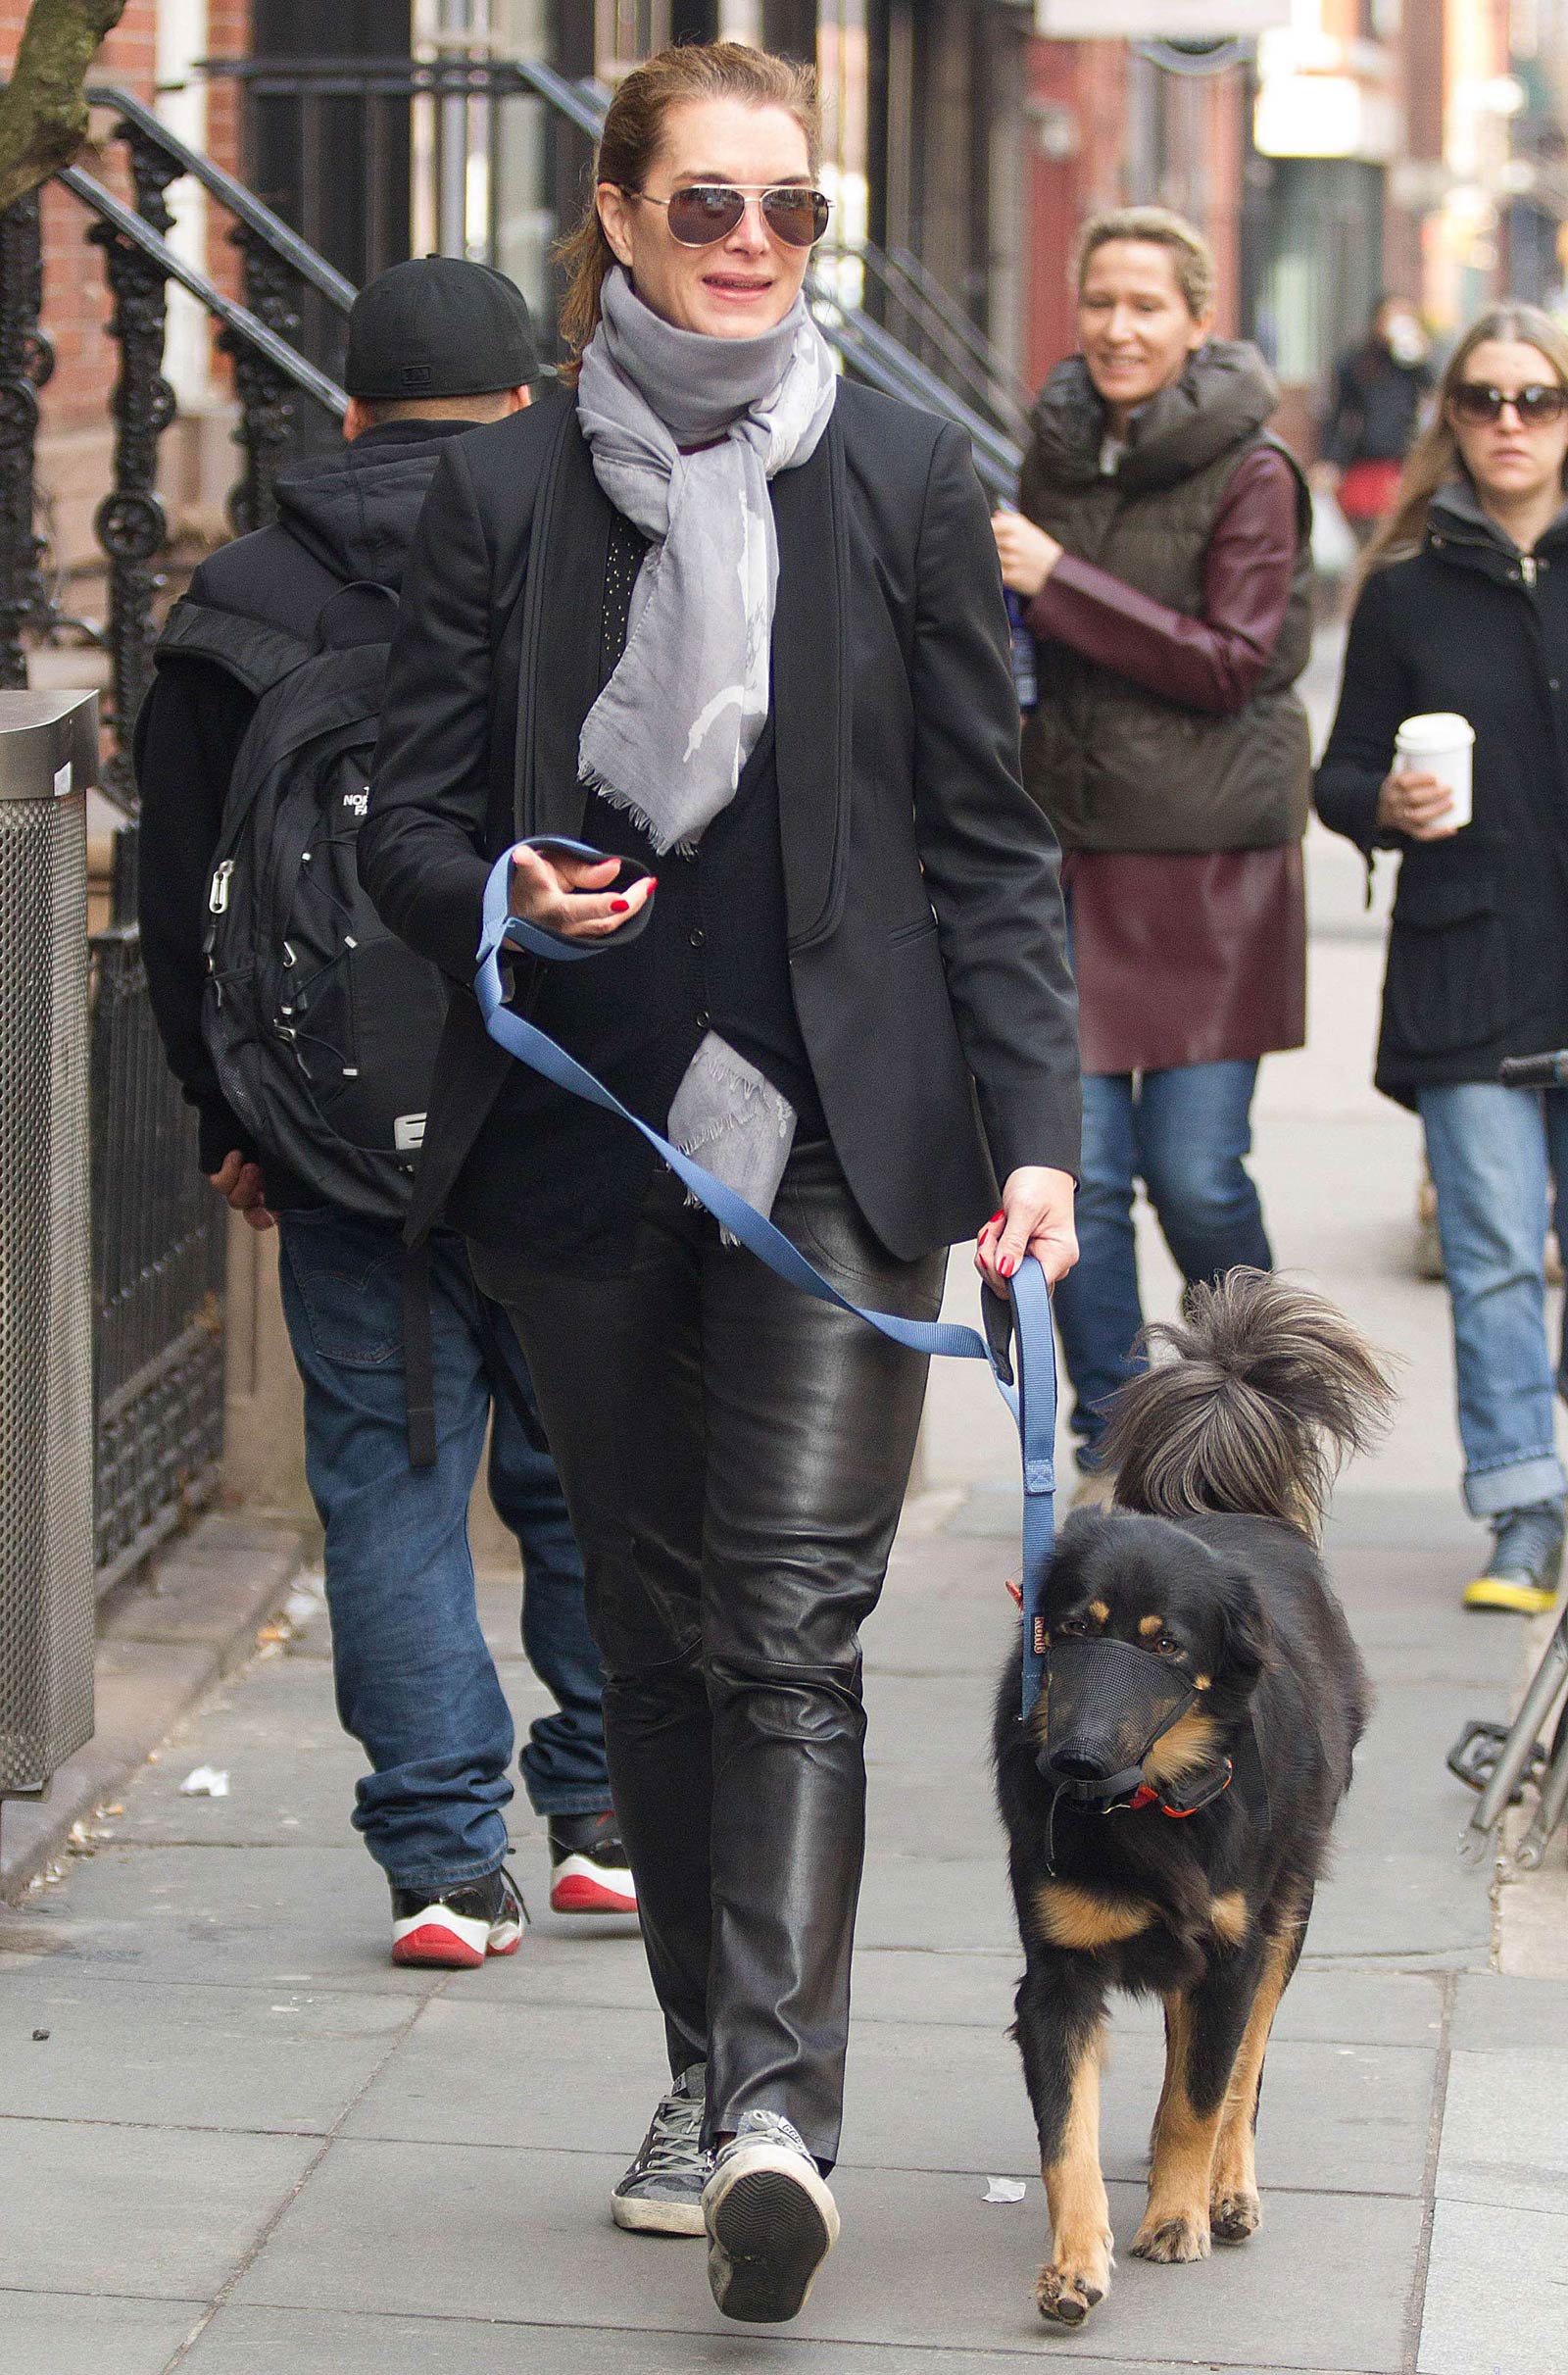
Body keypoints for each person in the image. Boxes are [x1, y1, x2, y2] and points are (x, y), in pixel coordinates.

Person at [360, 40, 1079, 2324]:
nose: (750, 248)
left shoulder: (897, 470)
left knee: (786, 1620)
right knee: (662, 1638)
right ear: (613, 219)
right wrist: (497, 886)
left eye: (788, 211)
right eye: (707, 211)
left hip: (844, 1154)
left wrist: (1038, 1135)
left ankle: (776, 2109)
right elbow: (381, 811)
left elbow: (988, 847)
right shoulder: (496, 508)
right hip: (583, 1140)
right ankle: (698, 2062)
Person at [134, 256, 636, 1967]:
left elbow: (181, 889)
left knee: (388, 1479)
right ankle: (605, 1815)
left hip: (340, 1129)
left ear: (341, 409)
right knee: (587, 1466)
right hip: (566, 1101)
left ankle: (440, 1859)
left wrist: (236, 1111)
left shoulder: (235, 598)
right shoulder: (581, 561)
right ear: (525, 401)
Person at [992, 205, 1311, 1486]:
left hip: (1205, 869)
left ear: (1197, 321)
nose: (1119, 329)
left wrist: (1059, 578)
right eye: (1101, 303)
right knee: (1080, 1177)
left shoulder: (1256, 472)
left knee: (1193, 1169)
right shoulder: (1056, 449)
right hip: (1067, 856)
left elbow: (1234, 663)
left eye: (1147, 306)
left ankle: (1267, 1415)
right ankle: (1116, 1442)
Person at [1317, 303, 1568, 1615]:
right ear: (1451, 416)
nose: (1510, 423)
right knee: (1487, 1250)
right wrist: (1383, 807)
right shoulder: (1407, 590)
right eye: (1485, 399)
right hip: (1470, 962)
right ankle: (1524, 1507)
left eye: (1537, 398)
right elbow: (1339, 771)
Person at [1319, 295, 1436, 538]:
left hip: (1400, 466)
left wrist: (1420, 354)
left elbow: (1433, 388)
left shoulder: (1411, 365)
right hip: (1362, 466)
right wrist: (1330, 459)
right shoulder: (1356, 364)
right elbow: (1337, 414)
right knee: (1364, 537)